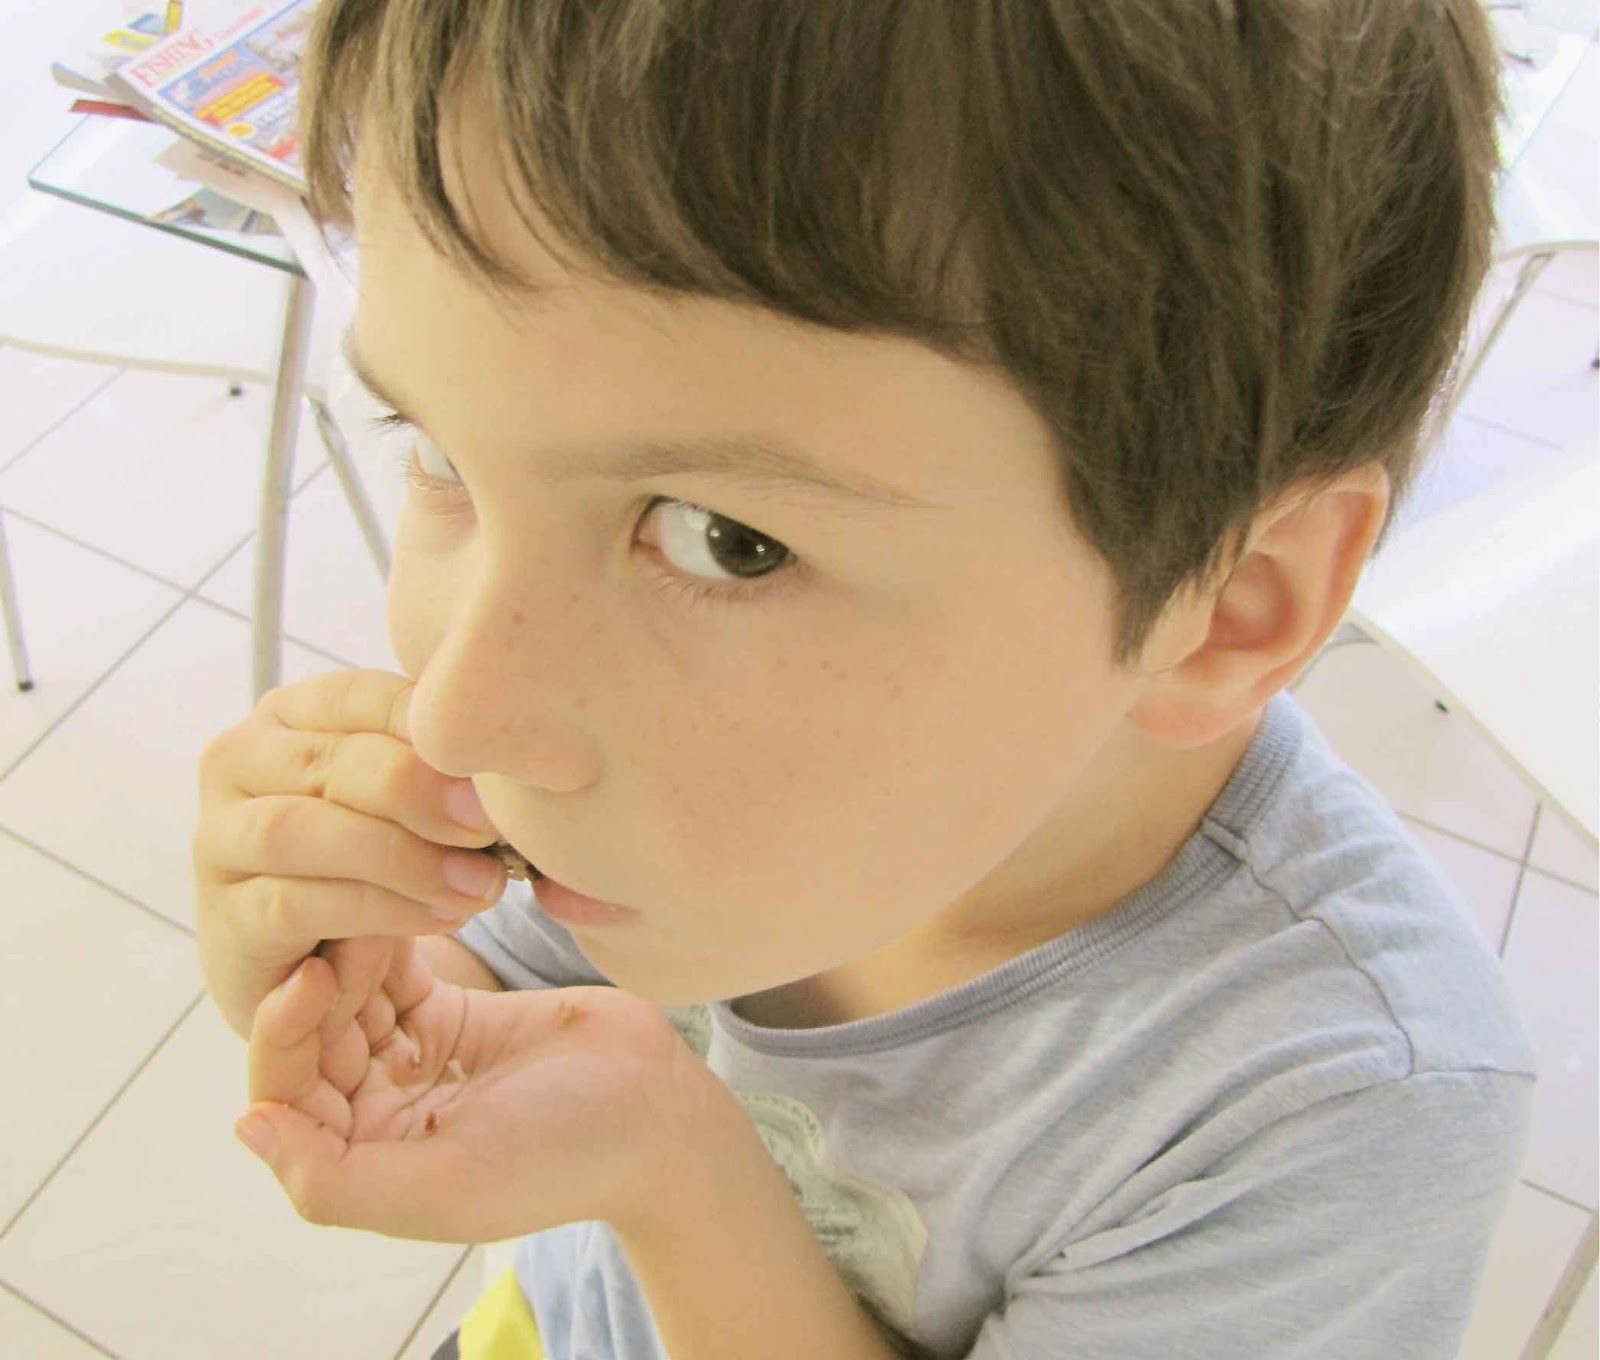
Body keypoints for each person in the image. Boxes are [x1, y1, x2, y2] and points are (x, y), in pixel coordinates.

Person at [192, 2, 1538, 1357]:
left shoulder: (1337, 1108)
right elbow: (488, 985)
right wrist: (358, 978)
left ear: (1228, 609)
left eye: (725, 540)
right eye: (437, 452)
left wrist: (674, 1175)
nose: (458, 716)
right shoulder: (704, 785)